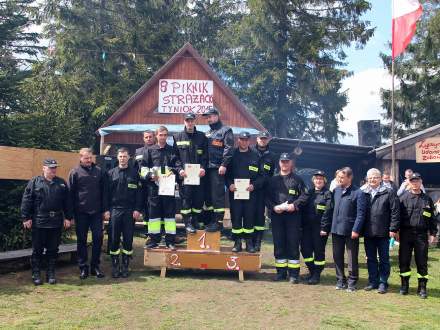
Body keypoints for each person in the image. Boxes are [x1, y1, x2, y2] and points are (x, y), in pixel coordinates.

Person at [21, 158, 73, 285]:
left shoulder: (61, 183)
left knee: (53, 249)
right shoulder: (35, 182)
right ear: (44, 168)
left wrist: (68, 217)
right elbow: (27, 200)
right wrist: (25, 217)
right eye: (50, 167)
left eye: (55, 167)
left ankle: (50, 273)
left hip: (55, 221)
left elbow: (67, 202)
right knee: (37, 250)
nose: (53, 170)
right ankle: (36, 273)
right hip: (39, 221)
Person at [265, 153, 307, 283]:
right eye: (282, 161)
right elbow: (266, 197)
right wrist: (273, 207)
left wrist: (294, 205)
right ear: (279, 163)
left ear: (291, 163)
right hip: (277, 217)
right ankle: (281, 273)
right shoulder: (273, 180)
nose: (284, 164)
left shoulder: (297, 179)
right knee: (279, 244)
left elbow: (305, 196)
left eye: (287, 161)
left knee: (293, 244)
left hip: (293, 217)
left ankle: (294, 274)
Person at [324, 167, 366, 292]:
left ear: (350, 177)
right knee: (337, 256)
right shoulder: (336, 191)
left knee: (352, 257)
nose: (339, 179)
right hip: (336, 229)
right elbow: (330, 210)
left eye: (342, 177)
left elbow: (361, 214)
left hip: (350, 231)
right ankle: (340, 280)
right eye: (338, 177)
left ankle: (352, 282)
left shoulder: (358, 193)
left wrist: (356, 230)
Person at [103, 148, 143, 278]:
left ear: (129, 157)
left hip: (129, 211)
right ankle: (115, 265)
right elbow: (106, 195)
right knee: (113, 238)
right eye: (120, 156)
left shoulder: (135, 174)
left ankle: (125, 265)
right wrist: (106, 210)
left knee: (128, 238)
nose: (122, 158)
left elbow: (139, 194)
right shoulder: (110, 173)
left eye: (125, 156)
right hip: (114, 210)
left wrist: (137, 209)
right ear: (117, 157)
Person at [142, 126, 183, 250]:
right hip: (153, 189)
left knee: (169, 215)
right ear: (156, 135)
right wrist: (150, 175)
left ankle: (170, 241)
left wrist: (174, 171)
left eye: (165, 135)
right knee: (154, 215)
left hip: (168, 188)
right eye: (161, 135)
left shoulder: (172, 150)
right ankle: (154, 239)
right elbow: (142, 168)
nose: (163, 137)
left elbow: (177, 165)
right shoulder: (149, 151)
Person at [68, 148, 105, 279]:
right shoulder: (74, 172)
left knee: (98, 239)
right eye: (86, 158)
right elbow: (70, 195)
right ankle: (83, 267)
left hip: (96, 213)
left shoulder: (99, 171)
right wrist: (70, 215)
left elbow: (104, 192)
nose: (89, 160)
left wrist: (104, 210)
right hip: (81, 213)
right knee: (82, 240)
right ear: (80, 158)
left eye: (90, 158)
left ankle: (95, 267)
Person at [360, 168, 399, 294]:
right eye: (370, 178)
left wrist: (393, 228)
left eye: (375, 177)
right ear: (367, 179)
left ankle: (383, 282)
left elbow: (395, 211)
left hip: (383, 232)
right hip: (368, 232)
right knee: (370, 258)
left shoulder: (389, 192)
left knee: (384, 259)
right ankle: (373, 281)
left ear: (380, 178)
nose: (372, 180)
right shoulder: (363, 192)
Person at [398, 173, 437, 298]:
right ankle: (404, 286)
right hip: (405, 234)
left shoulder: (427, 199)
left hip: (421, 235)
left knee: (422, 262)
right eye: (412, 181)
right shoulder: (403, 198)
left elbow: (432, 218)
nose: (415, 183)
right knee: (404, 260)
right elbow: (397, 217)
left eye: (417, 181)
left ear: (421, 182)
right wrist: (396, 231)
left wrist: (433, 233)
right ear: (409, 182)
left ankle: (422, 288)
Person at [226, 131, 264, 253]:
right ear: (238, 140)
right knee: (236, 217)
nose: (244, 141)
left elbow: (262, 176)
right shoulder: (232, 154)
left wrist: (254, 185)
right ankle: (237, 242)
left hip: (251, 193)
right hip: (235, 192)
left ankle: (249, 243)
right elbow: (226, 174)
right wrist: (230, 184)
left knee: (249, 217)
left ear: (249, 141)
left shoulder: (256, 155)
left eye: (246, 139)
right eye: (242, 139)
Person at [173, 113, 208, 234]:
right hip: (185, 177)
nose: (190, 123)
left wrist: (203, 168)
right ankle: (187, 223)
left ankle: (195, 221)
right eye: (187, 121)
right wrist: (179, 170)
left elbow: (205, 156)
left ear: (195, 122)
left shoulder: (202, 137)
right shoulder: (177, 137)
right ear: (184, 122)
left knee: (198, 200)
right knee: (186, 200)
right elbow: (175, 157)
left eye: (192, 120)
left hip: (199, 177)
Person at [202, 107, 234, 232]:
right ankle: (210, 220)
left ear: (217, 116)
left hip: (218, 168)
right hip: (207, 169)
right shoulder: (208, 133)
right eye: (207, 117)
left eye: (210, 116)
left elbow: (229, 148)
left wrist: (224, 164)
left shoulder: (226, 130)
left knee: (217, 196)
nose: (208, 119)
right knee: (208, 196)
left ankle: (219, 222)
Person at [301, 170, 332, 285]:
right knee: (305, 249)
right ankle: (312, 271)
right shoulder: (309, 192)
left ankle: (317, 274)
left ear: (324, 181)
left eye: (321, 179)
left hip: (320, 228)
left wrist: (324, 228)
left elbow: (328, 212)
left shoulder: (327, 194)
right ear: (313, 181)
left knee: (318, 251)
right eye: (316, 179)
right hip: (307, 228)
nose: (318, 181)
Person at [252, 131, 276, 251]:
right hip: (249, 190)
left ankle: (257, 243)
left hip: (262, 191)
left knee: (260, 217)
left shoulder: (272, 156)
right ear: (257, 139)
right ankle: (250, 243)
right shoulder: (250, 151)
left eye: (265, 139)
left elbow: (270, 175)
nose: (263, 140)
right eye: (261, 138)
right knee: (249, 216)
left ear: (268, 140)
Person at [135, 130, 156, 242]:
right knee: (144, 209)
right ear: (143, 138)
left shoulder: (158, 150)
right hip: (142, 185)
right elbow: (135, 169)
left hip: (155, 185)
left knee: (153, 209)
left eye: (150, 137)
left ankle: (155, 233)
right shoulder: (138, 151)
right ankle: (148, 232)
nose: (148, 139)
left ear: (154, 138)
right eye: (146, 137)